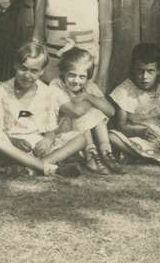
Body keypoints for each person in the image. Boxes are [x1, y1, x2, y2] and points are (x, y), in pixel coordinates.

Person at [0, 42, 85, 177]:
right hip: (10, 145)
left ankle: (32, 168)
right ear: (15, 66)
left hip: (36, 145)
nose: (27, 75)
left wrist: (47, 140)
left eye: (34, 71)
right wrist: (12, 140)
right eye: (23, 69)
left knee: (81, 138)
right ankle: (49, 168)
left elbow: (51, 129)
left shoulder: (48, 93)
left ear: (42, 71)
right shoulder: (0, 91)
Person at [49, 47, 122, 175]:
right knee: (86, 111)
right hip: (62, 129)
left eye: (82, 76)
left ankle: (106, 151)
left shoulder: (89, 86)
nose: (76, 81)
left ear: (88, 77)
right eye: (71, 75)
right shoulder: (56, 85)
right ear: (63, 72)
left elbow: (111, 111)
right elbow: (75, 112)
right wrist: (91, 101)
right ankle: (90, 153)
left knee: (96, 110)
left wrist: (87, 96)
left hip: (82, 131)